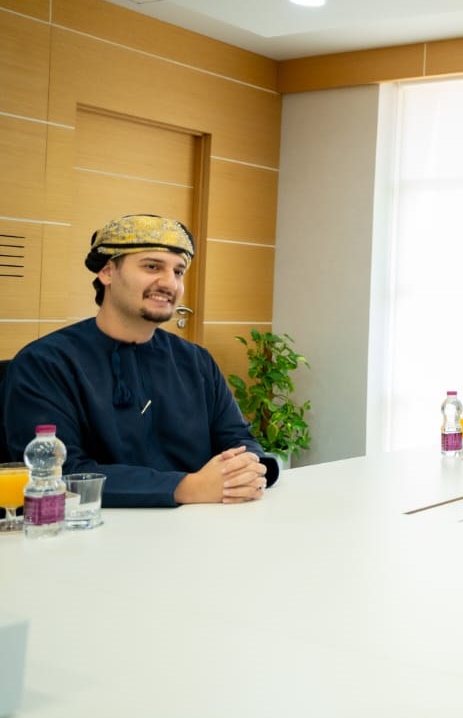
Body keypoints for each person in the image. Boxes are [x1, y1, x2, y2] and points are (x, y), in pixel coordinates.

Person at [2, 214, 276, 507]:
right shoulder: (45, 364)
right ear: (107, 272)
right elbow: (57, 473)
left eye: (178, 271)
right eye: (152, 266)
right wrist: (184, 488)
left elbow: (238, 438)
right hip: (95, 528)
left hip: (201, 523)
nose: (169, 283)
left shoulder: (196, 361)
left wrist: (250, 467)